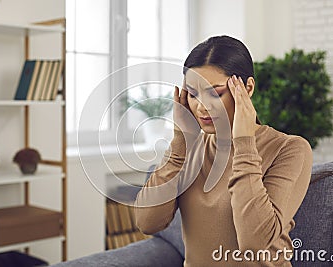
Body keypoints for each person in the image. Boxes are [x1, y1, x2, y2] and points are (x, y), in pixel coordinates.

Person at [134, 35, 313, 266]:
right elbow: (147, 222)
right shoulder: (190, 149)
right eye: (193, 94)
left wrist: (244, 144)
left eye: (215, 93)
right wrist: (180, 145)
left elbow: (255, 243)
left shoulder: (289, 149)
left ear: (247, 88)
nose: (201, 106)